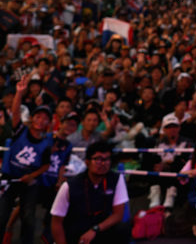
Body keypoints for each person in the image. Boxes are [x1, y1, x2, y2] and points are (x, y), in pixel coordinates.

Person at [0, 76, 53, 244]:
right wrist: (19, 93)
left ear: (48, 123)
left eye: (45, 118)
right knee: (1, 216)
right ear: (32, 118)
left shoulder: (46, 143)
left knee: (29, 218)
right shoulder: (20, 130)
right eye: (38, 116)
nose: (41, 120)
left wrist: (33, 176)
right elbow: (15, 112)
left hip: (29, 183)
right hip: (9, 179)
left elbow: (46, 165)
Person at [49, 140, 130, 244]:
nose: (103, 164)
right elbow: (56, 222)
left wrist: (95, 229)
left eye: (107, 159)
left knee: (123, 228)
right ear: (87, 162)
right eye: (98, 159)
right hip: (75, 228)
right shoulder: (69, 186)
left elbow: (118, 215)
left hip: (100, 227)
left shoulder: (116, 179)